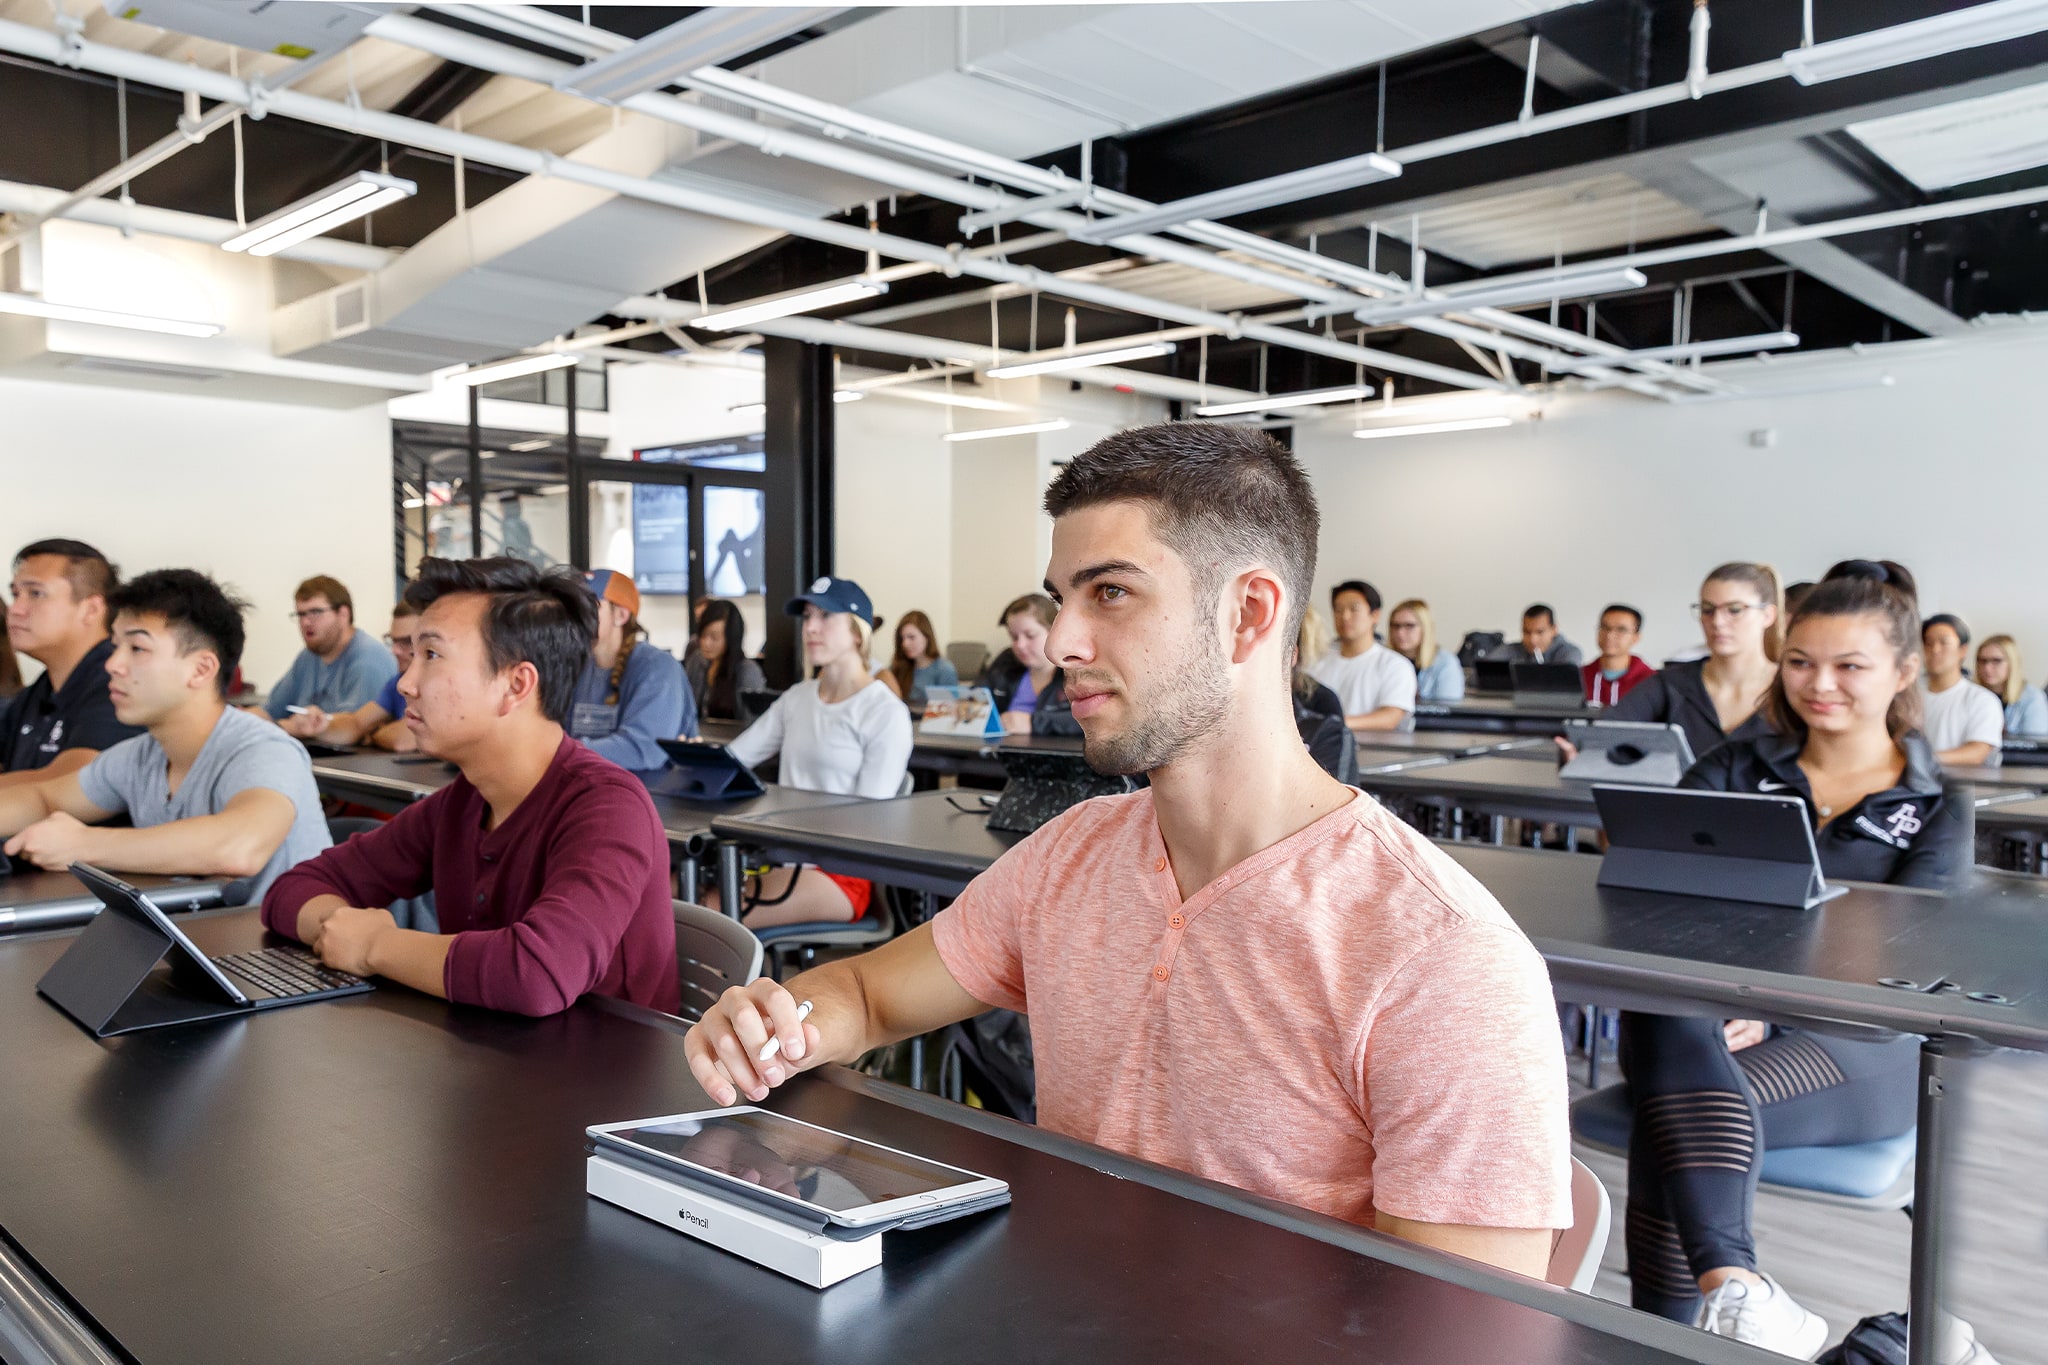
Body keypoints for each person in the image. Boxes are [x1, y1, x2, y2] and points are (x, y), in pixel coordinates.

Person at [685, 424, 1571, 1275]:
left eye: (1109, 591)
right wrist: (778, 1029)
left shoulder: (1444, 960)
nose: (1063, 639)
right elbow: (866, 995)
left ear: (1248, 615)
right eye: (1061, 596)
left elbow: (1465, 1336)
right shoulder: (1070, 856)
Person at [1617, 560, 1967, 1353]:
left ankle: (1700, 1311)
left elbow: (1916, 961)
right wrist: (1727, 994)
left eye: (1850, 666)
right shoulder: (1734, 770)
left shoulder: (1938, 807)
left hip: (1860, 1044)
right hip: (1708, 1028)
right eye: (1803, 661)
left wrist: (1766, 1002)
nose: (1821, 684)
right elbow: (1659, 902)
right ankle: (1732, 1293)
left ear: (1903, 671)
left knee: (1669, 1122)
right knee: (1664, 1001)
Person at [261, 557, 679, 1017]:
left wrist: (375, 944)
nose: (405, 683)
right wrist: (341, 929)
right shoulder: (464, 802)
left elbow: (537, 975)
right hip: (487, 1067)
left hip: (604, 1080)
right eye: (410, 655)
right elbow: (292, 890)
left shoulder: (608, 809)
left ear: (516, 684)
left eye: (432, 656)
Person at [0, 569, 329, 903]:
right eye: (116, 646)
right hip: (202, 943)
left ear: (201, 670)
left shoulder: (264, 749)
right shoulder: (140, 755)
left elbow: (241, 846)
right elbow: (44, 799)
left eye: (137, 648)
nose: (113, 664)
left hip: (281, 951)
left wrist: (83, 844)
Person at [721, 577, 913, 929]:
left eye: (825, 616)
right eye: (808, 616)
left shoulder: (884, 711)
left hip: (842, 872)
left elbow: (870, 820)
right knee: (675, 893)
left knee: (710, 908)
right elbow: (734, 760)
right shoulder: (798, 697)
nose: (810, 627)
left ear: (857, 632)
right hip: (783, 857)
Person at [1599, 563, 1782, 761]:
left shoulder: (1792, 688)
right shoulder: (1670, 684)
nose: (1718, 621)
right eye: (1707, 609)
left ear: (1768, 615)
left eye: (1735, 610)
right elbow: (1604, 736)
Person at [2, 539, 142, 790]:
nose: (15, 609)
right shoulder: (36, 694)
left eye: (35, 593)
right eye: (15, 594)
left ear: (91, 609)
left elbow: (75, 780)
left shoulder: (119, 683)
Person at [566, 569, 695, 770]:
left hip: (649, 796)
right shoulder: (576, 667)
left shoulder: (659, 668)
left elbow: (640, 751)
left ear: (621, 615)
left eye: (587, 606)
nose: (574, 616)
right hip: (588, 788)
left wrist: (559, 754)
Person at [278, 600, 420, 751]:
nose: (395, 651)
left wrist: (373, 734)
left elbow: (403, 740)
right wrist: (318, 726)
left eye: (407, 641)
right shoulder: (397, 683)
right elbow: (356, 724)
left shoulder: (443, 685)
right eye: (393, 641)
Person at [263, 575, 399, 722]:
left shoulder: (369, 659)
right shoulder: (308, 656)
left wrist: (290, 727)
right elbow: (270, 711)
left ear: (343, 614)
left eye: (315, 612)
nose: (305, 622)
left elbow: (352, 730)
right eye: (301, 614)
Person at [1308, 580, 1415, 732]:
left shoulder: (1395, 665)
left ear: (1375, 615)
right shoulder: (1316, 662)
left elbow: (1390, 718)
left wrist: (1333, 723)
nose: (1345, 616)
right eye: (1338, 610)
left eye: (1354, 609)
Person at [1918, 614, 2002, 767]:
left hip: (1958, 787)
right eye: (1928, 643)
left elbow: (1977, 752)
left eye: (1944, 643)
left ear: (1963, 650)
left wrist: (1920, 761)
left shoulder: (1982, 700)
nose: (1935, 650)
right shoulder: (1907, 695)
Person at [979, 594, 1066, 735]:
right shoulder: (1007, 660)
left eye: (1030, 635)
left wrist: (1033, 723)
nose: (1020, 645)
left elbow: (1095, 720)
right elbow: (975, 696)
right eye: (1013, 637)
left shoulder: (1076, 669)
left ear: (1054, 631)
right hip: (1002, 751)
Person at [686, 599, 766, 722]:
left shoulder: (747, 671)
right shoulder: (697, 661)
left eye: (714, 637)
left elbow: (753, 725)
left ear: (731, 638)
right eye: (703, 635)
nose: (706, 643)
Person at [879, 610, 959, 712]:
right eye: (902, 639)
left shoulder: (944, 669)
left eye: (911, 637)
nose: (905, 644)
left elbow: (948, 713)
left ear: (927, 637)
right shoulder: (897, 667)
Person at [1388, 598, 1464, 702]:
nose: (1400, 633)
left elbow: (1448, 711)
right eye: (1395, 626)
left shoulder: (1446, 663)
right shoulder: (1383, 660)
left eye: (1409, 626)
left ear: (1425, 628)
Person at [1976, 634, 2048, 738]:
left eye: (1996, 661)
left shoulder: (2032, 698)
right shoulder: (1971, 695)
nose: (1987, 668)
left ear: (2012, 662)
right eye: (1982, 661)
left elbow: (2035, 747)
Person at [1583, 604, 1654, 707]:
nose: (1609, 635)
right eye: (1604, 627)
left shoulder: (1650, 681)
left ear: (1636, 637)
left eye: (1621, 630)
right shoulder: (1579, 677)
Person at [1499, 604, 1582, 666]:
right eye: (1527, 632)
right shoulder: (1511, 650)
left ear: (1554, 629)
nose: (1532, 639)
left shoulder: (1570, 653)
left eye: (1540, 632)